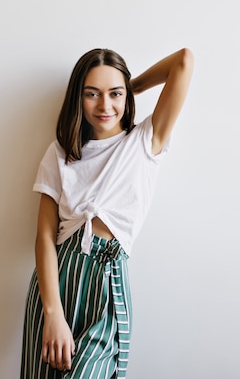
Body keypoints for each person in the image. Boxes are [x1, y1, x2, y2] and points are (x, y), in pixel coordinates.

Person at [20, 47, 194, 379]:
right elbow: (44, 237)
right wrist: (52, 313)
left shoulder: (145, 142)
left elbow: (183, 61)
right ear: (78, 98)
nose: (105, 105)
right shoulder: (60, 154)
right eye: (92, 94)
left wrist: (131, 88)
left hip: (109, 284)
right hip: (59, 281)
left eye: (114, 94)